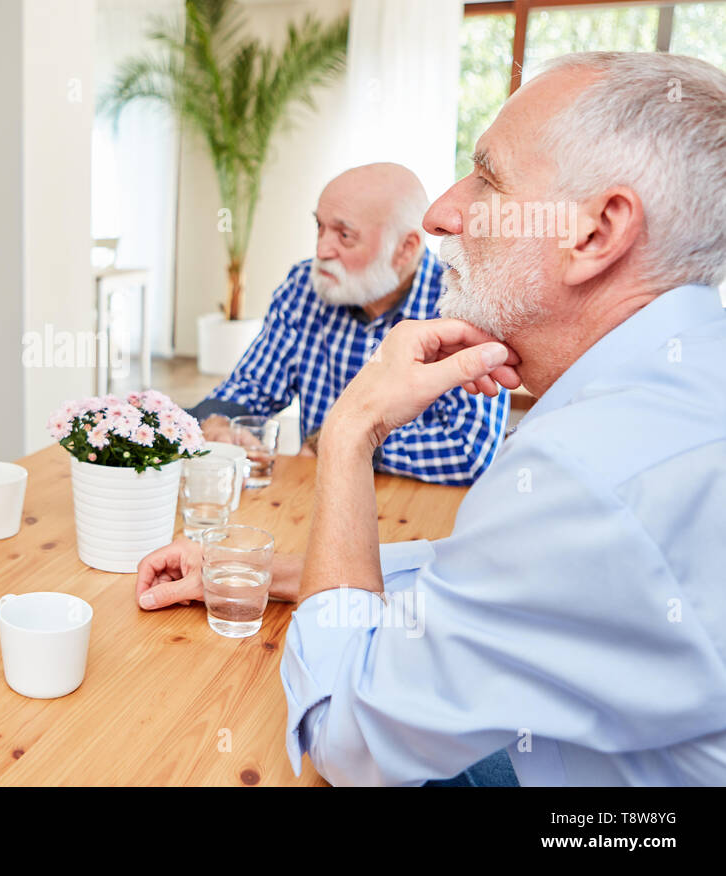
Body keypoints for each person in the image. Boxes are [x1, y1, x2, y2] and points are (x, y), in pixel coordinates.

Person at [137, 51, 726, 786]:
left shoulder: (589, 474)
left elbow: (339, 736)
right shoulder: (680, 383)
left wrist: (352, 431)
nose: (446, 212)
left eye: (488, 177)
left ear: (597, 232)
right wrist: (274, 570)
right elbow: (487, 583)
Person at [191, 163, 507, 485]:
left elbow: (469, 451)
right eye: (320, 227)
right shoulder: (304, 286)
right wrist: (218, 421)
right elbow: (254, 386)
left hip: (423, 509)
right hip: (319, 498)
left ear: (406, 248)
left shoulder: (461, 301)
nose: (321, 250)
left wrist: (341, 442)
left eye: (344, 235)